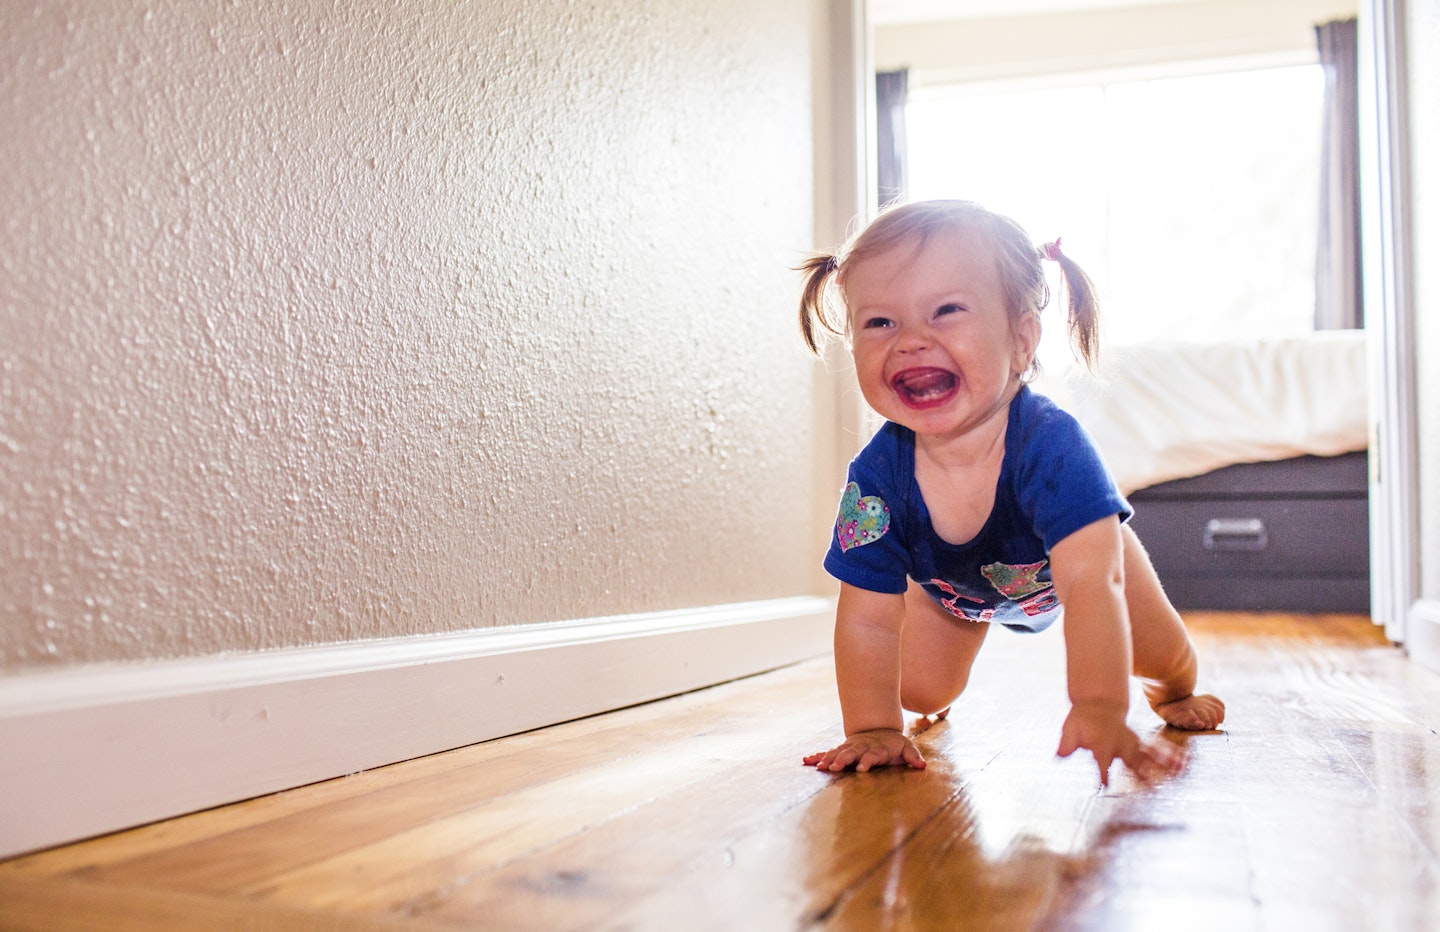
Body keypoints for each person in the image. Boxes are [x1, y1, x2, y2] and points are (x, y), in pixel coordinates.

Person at [796, 199, 1225, 786]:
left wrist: (1099, 706)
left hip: (1082, 565)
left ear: (1021, 340)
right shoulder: (877, 479)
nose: (911, 341)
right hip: (952, 591)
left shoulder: (1051, 446)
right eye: (880, 322)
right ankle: (935, 668)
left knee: (1159, 654)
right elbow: (868, 619)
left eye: (946, 311)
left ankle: (1174, 686)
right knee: (916, 688)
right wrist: (873, 728)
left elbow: (1090, 586)